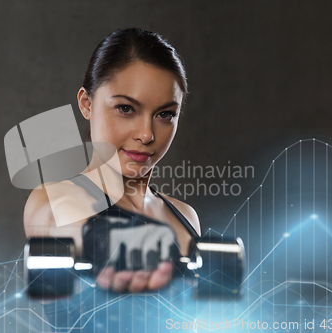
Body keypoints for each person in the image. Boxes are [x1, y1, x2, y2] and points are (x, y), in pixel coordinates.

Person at [24, 27, 201, 331]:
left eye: (165, 115)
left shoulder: (185, 217)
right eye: (125, 109)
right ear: (87, 104)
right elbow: (68, 226)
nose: (146, 134)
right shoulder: (54, 199)